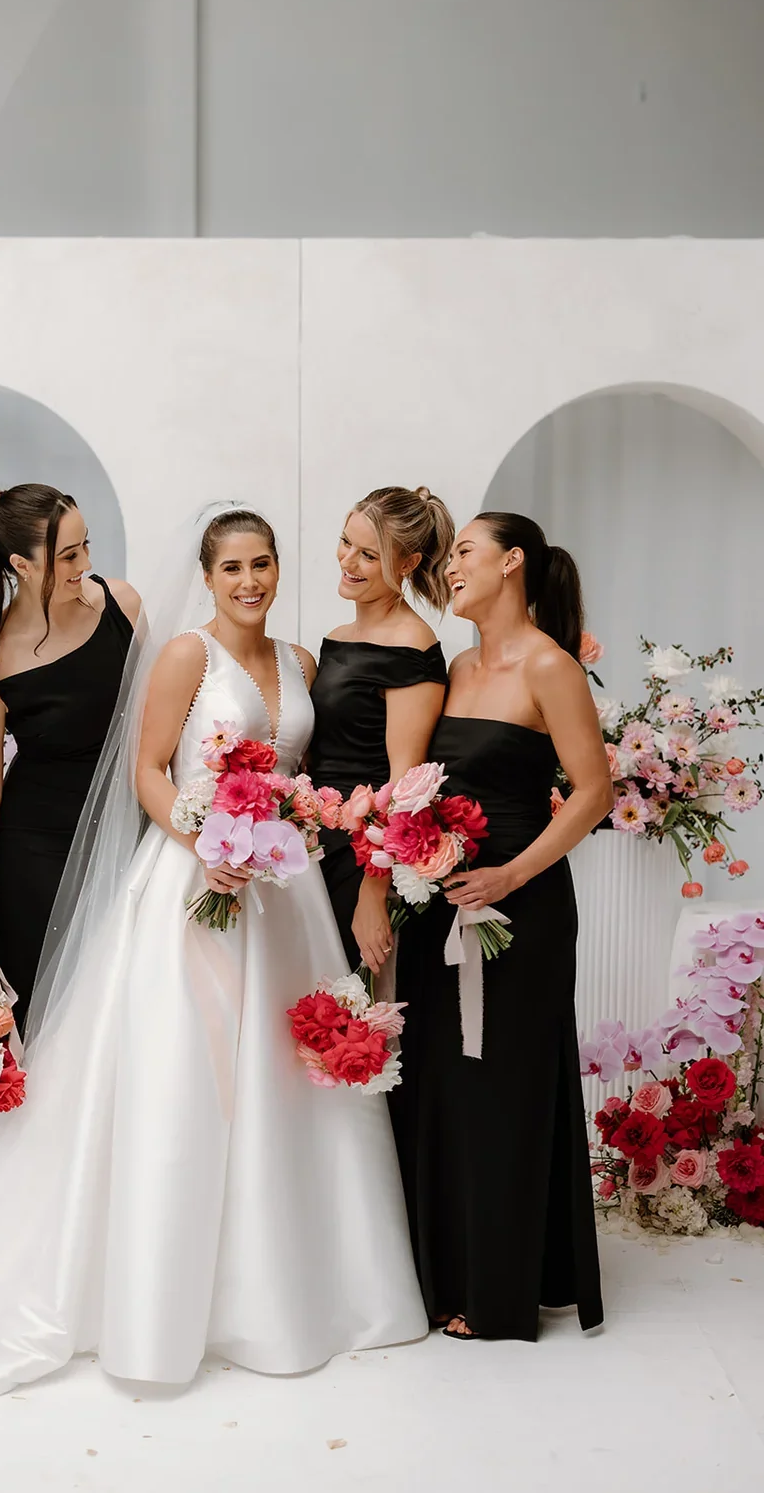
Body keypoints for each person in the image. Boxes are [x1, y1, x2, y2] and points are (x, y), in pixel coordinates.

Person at [0, 504, 425, 1417]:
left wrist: (301, 820)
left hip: (285, 895)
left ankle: (295, 1282)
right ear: (207, 573)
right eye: (232, 566)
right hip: (193, 881)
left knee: (281, 1074)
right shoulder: (185, 655)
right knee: (183, 1073)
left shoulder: (301, 662)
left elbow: (300, 772)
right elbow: (146, 769)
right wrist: (201, 835)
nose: (249, 581)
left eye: (263, 563)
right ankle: (162, 1294)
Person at [390, 511, 612, 1342]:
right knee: (446, 1089)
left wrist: (512, 876)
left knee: (505, 1090)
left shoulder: (549, 665)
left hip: (520, 908)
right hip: (442, 902)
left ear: (513, 562)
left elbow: (592, 791)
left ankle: (501, 1292)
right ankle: (448, 1276)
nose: (451, 568)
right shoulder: (456, 664)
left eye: (465, 553)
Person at [0, 483, 140, 1032]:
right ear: (21, 565)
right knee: (56, 1029)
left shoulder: (122, 605)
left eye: (85, 547)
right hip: (38, 862)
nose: (85, 564)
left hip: (131, 839)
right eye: (68, 556)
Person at [309, 486, 452, 976]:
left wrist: (373, 890)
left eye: (368, 554)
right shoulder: (337, 638)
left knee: (356, 1003)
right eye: (345, 542)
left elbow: (406, 783)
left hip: (362, 856)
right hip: (318, 842)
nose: (347, 560)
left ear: (408, 562)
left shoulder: (412, 646)